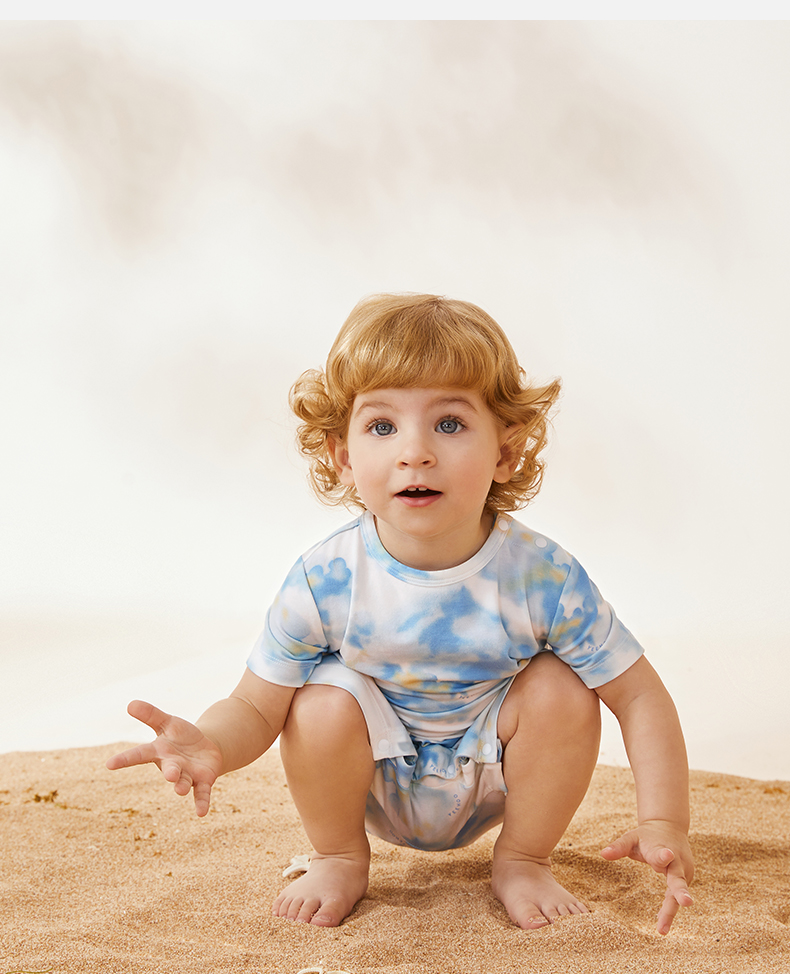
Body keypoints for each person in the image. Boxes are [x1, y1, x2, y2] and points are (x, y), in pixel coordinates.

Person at [107, 293, 694, 935]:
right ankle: (339, 858)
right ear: (342, 456)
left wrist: (664, 820)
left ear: (505, 452)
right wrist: (213, 743)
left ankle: (523, 860)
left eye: (450, 424)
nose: (415, 452)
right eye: (383, 427)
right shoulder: (326, 578)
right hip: (369, 779)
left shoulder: (543, 576)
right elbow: (256, 705)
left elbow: (639, 696)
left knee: (564, 686)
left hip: (497, 772)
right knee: (319, 698)